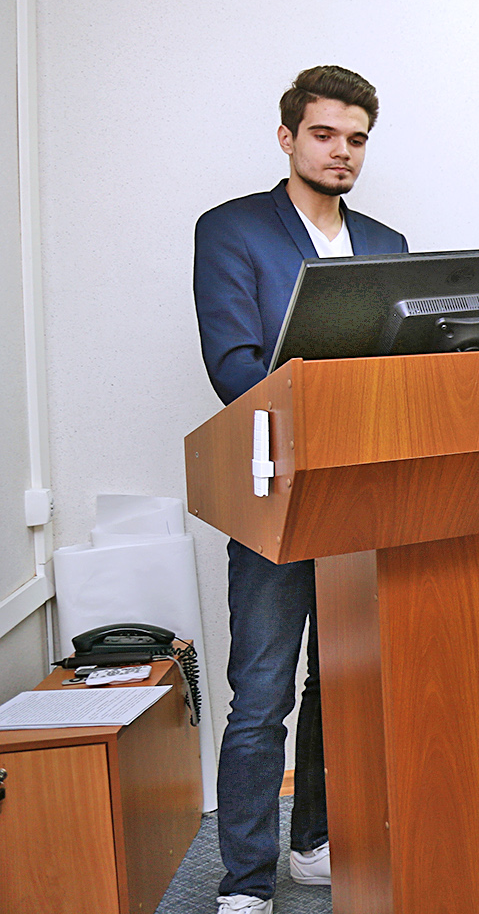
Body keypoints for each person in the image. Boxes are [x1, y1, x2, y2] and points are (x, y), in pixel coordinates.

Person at [193, 66, 408, 914]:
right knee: (263, 694)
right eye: (324, 134)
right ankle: (245, 882)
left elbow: (404, 367)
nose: (341, 151)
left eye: (356, 139)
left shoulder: (386, 244)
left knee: (339, 685)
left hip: (363, 495)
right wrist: (330, 414)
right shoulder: (233, 229)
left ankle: (313, 841)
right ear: (287, 138)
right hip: (275, 491)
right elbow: (234, 366)